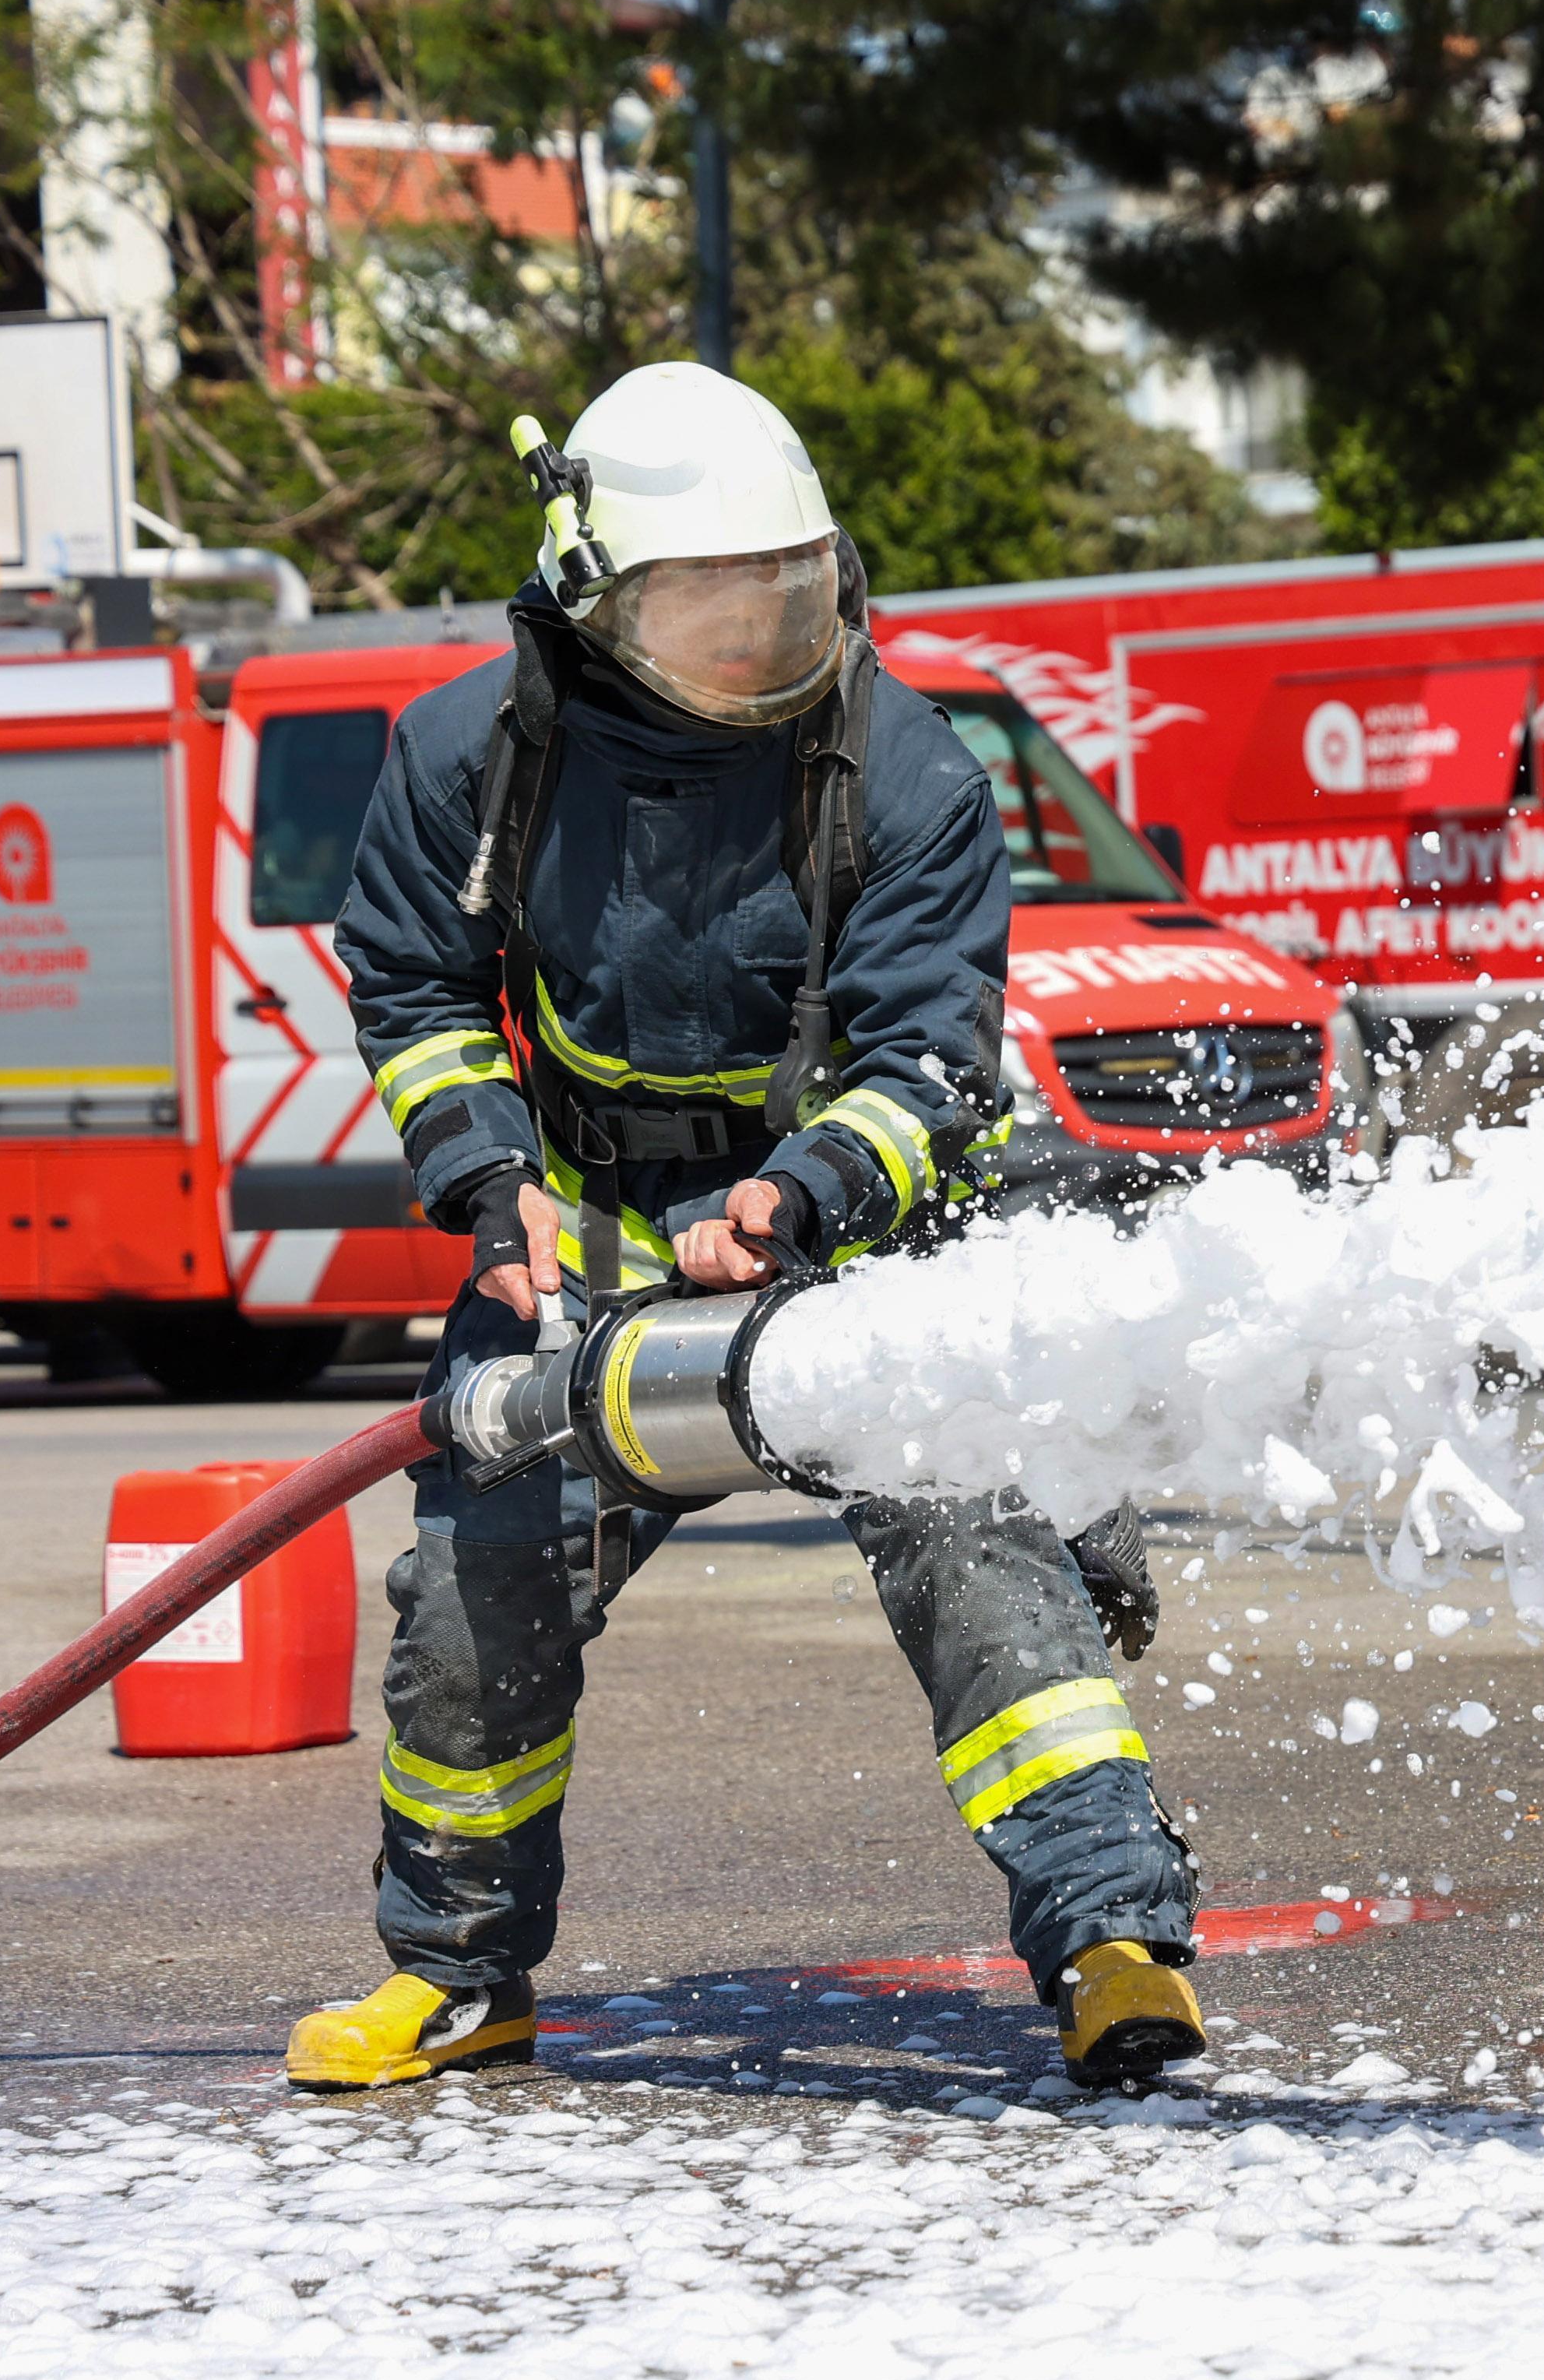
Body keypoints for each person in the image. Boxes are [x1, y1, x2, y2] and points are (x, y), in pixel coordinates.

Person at [286, 362, 1204, 2093]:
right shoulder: (469, 754)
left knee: (986, 1572)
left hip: (848, 1245)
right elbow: (410, 991)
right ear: (591, 590)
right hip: (587, 1253)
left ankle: (1112, 1947)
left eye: (785, 599)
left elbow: (930, 1051)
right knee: (474, 1608)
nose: (759, 646)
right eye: (709, 609)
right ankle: (459, 1979)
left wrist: (800, 1197)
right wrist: (490, 1192)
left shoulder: (902, 762)